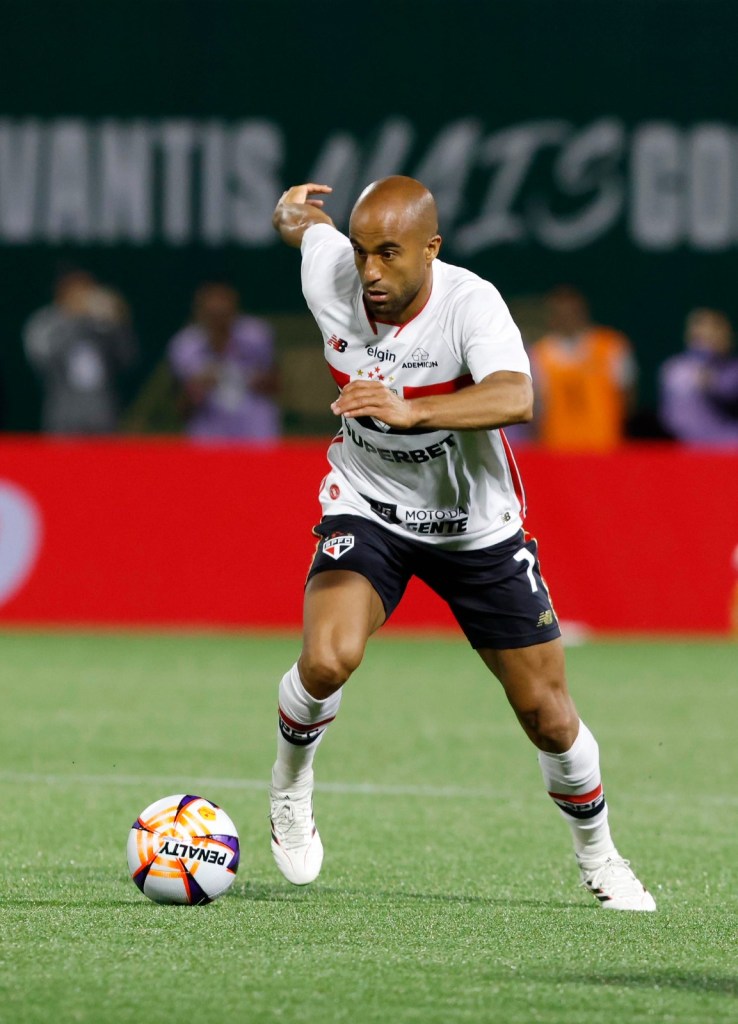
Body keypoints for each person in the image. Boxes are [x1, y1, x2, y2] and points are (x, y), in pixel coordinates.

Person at [267, 176, 655, 911]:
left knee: (547, 713)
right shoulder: (334, 275)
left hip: (474, 526)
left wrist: (410, 412)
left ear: (431, 249)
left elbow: (517, 396)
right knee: (327, 658)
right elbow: (302, 228)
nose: (372, 273)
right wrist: (295, 212)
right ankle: (290, 787)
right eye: (362, 253)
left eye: (390, 254)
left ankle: (601, 857)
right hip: (370, 507)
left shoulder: (470, 304)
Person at [23, 269, 136, 434]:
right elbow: (41, 358)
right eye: (76, 292)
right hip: (63, 415)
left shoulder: (102, 323)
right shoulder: (45, 323)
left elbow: (128, 358)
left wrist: (117, 323)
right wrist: (73, 321)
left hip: (102, 414)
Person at [167, 282, 280, 441]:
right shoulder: (184, 346)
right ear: (200, 314)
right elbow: (180, 406)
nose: (218, 322)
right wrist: (195, 390)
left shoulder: (257, 336)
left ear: (234, 311)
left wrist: (254, 379)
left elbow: (278, 385)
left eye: (224, 315)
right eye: (212, 316)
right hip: (208, 435)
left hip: (255, 432)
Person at [530, 286, 637, 451]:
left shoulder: (610, 346)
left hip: (605, 445)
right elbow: (536, 407)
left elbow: (627, 396)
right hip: (557, 448)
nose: (567, 319)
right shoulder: (539, 355)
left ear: (583, 312)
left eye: (571, 313)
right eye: (560, 314)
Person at [658, 308, 738, 446]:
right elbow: (671, 418)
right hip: (686, 445)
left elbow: (729, 391)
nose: (707, 334)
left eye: (715, 329)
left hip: (725, 439)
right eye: (699, 329)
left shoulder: (731, 368)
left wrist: (712, 381)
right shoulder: (675, 367)